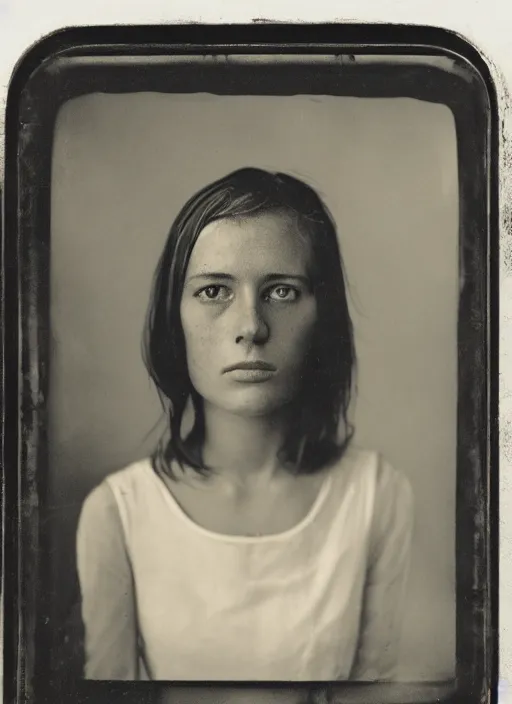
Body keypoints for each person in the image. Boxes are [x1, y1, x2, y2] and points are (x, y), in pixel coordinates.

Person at [76, 167, 414, 682]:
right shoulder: (116, 514)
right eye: (214, 292)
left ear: (323, 315)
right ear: (175, 317)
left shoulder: (377, 496)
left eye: (281, 292)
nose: (251, 327)